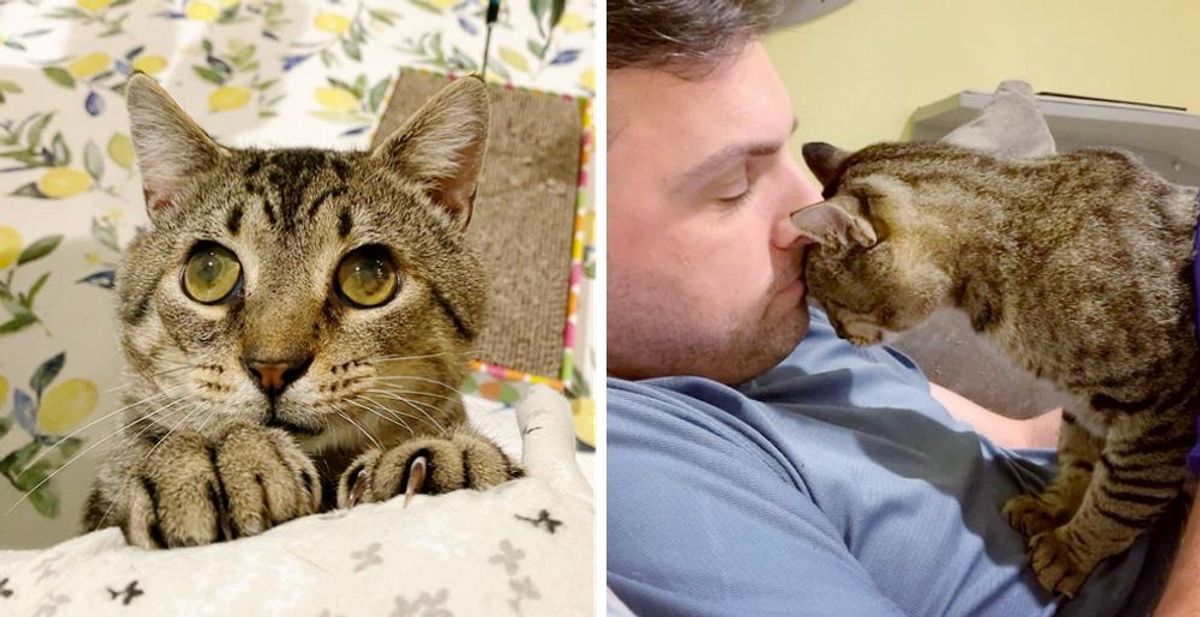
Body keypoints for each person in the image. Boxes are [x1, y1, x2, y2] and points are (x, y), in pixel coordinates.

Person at [605, 1, 1195, 615]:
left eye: (784, 154)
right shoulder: (639, 465)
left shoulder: (783, 322)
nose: (805, 207)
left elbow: (1023, 431)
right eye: (733, 185)